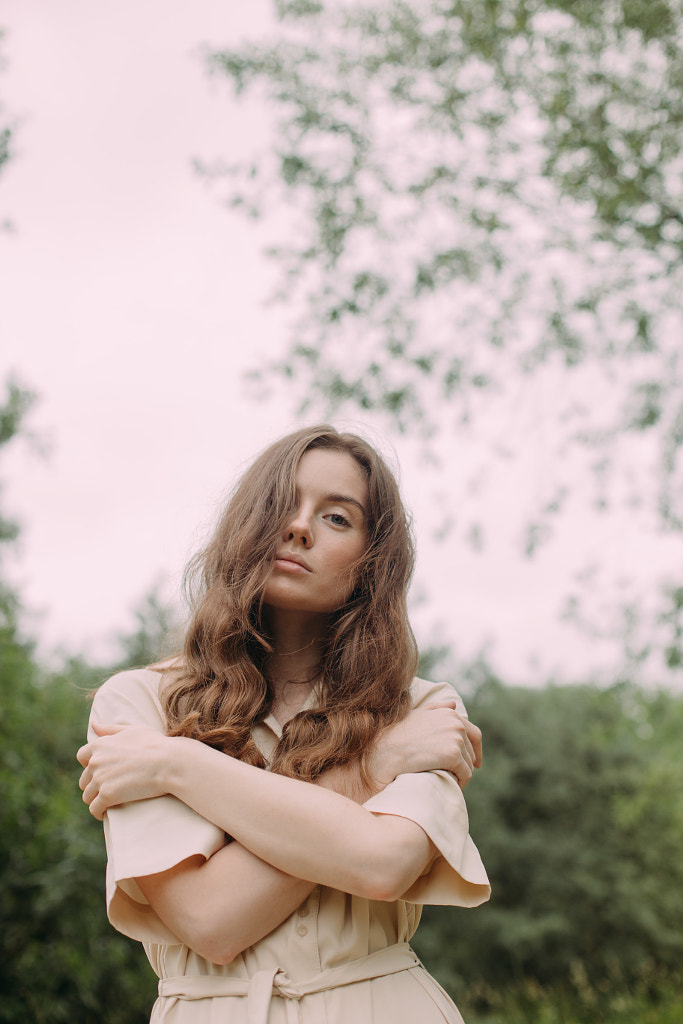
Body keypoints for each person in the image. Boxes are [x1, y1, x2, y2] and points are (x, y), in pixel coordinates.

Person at [77, 425, 491, 1024]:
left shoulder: (422, 712)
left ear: (373, 563)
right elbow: (212, 921)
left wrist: (178, 764)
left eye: (337, 518)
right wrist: (374, 770)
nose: (299, 527)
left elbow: (379, 865)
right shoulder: (138, 705)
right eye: (281, 505)